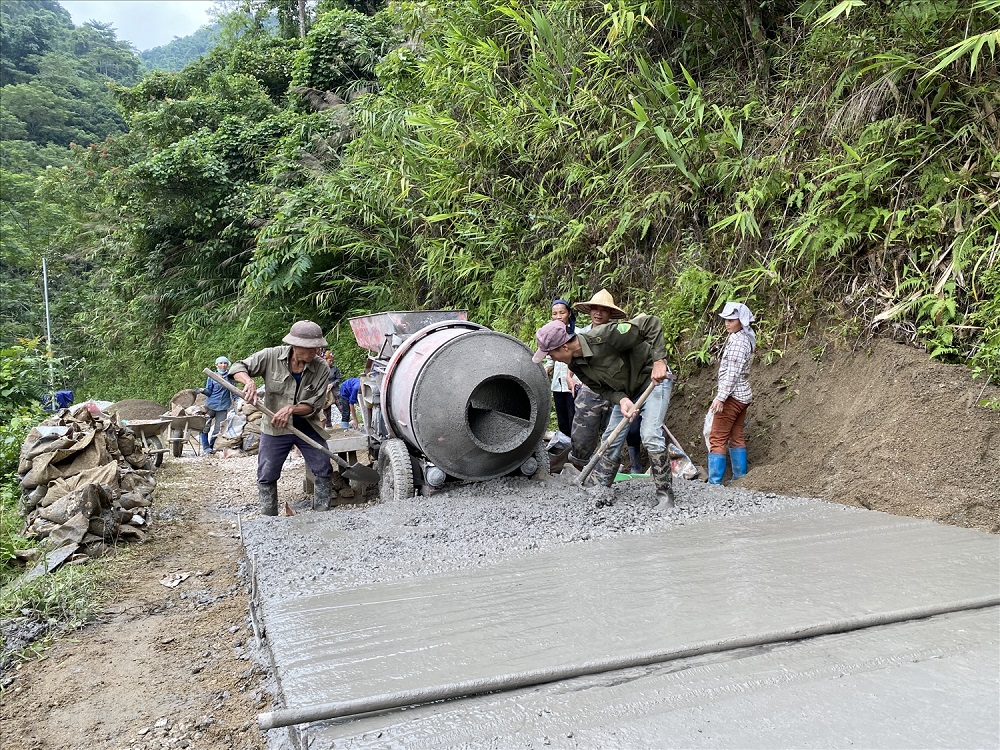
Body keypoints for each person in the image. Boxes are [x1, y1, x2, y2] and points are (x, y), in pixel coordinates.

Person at [532, 312, 677, 507]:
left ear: (564, 346)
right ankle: (601, 486)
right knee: (610, 440)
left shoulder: (605, 336)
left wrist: (659, 361)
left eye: (551, 354)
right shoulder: (577, 364)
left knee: (650, 434)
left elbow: (650, 323)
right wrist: (622, 399)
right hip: (626, 392)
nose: (553, 359)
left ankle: (665, 493)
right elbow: (602, 389)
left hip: (652, 382)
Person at [229, 321, 334, 515]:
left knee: (323, 467)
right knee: (267, 473)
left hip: (307, 426)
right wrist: (249, 382)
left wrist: (291, 409)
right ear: (295, 345)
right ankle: (269, 516)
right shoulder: (271, 356)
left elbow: (315, 404)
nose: (316, 351)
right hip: (274, 427)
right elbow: (237, 367)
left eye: (318, 347)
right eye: (311, 348)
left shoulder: (321, 368)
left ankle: (322, 513)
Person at [566, 289, 627, 469]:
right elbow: (569, 359)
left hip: (615, 391)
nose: (598, 313)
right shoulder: (581, 336)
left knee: (614, 434)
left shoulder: (618, 334)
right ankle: (578, 469)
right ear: (590, 311)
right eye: (595, 309)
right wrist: (570, 377)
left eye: (604, 310)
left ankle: (606, 474)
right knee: (582, 434)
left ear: (610, 313)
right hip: (590, 389)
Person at [708, 302, 756, 485]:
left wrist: (721, 398)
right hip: (743, 395)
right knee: (736, 435)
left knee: (717, 437)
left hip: (733, 396)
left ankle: (714, 483)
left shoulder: (738, 342)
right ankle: (740, 478)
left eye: (731, 320)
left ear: (741, 320)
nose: (727, 323)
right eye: (726, 320)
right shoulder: (746, 337)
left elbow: (732, 373)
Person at [545, 299, 577, 436]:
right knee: (562, 422)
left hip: (575, 385)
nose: (558, 316)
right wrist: (544, 371)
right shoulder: (550, 335)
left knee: (574, 420)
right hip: (558, 385)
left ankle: (576, 451)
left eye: (562, 313)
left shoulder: (578, 334)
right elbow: (549, 362)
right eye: (554, 313)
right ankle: (565, 450)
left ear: (569, 313)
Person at [198, 356, 235, 455]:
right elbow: (209, 391)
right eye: (221, 363)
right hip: (210, 405)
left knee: (219, 429)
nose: (223, 365)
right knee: (205, 426)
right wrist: (203, 391)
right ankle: (205, 447)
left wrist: (238, 402)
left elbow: (234, 391)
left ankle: (211, 446)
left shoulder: (230, 377)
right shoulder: (212, 376)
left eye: (225, 363)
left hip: (223, 406)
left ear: (227, 365)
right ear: (216, 365)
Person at [322, 350, 342, 427]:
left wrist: (333, 384)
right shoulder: (321, 369)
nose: (331, 362)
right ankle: (328, 425)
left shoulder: (335, 368)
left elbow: (339, 378)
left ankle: (346, 422)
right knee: (326, 409)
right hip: (325, 392)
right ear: (325, 360)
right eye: (330, 360)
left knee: (341, 407)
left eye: (332, 361)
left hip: (335, 390)